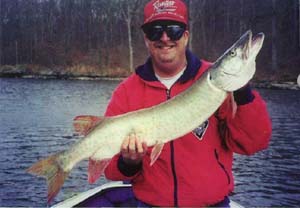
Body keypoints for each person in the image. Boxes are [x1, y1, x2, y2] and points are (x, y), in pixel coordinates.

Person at [99, 0, 272, 206]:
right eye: (155, 31)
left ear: (186, 36)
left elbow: (253, 143)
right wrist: (129, 162)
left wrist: (242, 92)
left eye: (174, 30)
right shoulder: (127, 92)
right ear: (146, 39)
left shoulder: (217, 83)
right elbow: (109, 168)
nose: (165, 38)